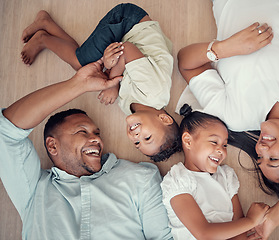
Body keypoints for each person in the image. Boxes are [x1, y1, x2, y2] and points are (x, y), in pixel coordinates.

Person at [176, 0, 279, 239]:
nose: (262, 148)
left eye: (260, 157)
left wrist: (225, 48)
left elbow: (186, 64)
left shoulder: (236, 117)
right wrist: (271, 220)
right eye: (273, 158)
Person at [0, 60, 173, 239]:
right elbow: (5, 130)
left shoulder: (140, 178)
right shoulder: (34, 189)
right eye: (82, 132)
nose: (97, 139)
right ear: (52, 146)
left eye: (97, 133)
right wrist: (77, 85)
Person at [20, 3, 181, 162]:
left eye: (137, 143)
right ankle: (43, 37)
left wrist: (109, 69)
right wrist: (113, 83)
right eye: (147, 137)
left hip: (129, 46)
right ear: (164, 119)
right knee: (81, 64)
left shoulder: (133, 110)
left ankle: (48, 25)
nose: (136, 137)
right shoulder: (154, 91)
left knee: (90, 70)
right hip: (129, 22)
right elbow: (127, 49)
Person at [161, 104, 270, 240]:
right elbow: (204, 234)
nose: (222, 151)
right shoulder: (179, 180)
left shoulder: (226, 177)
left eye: (225, 145)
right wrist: (251, 221)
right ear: (188, 141)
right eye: (214, 142)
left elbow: (239, 233)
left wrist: (248, 224)